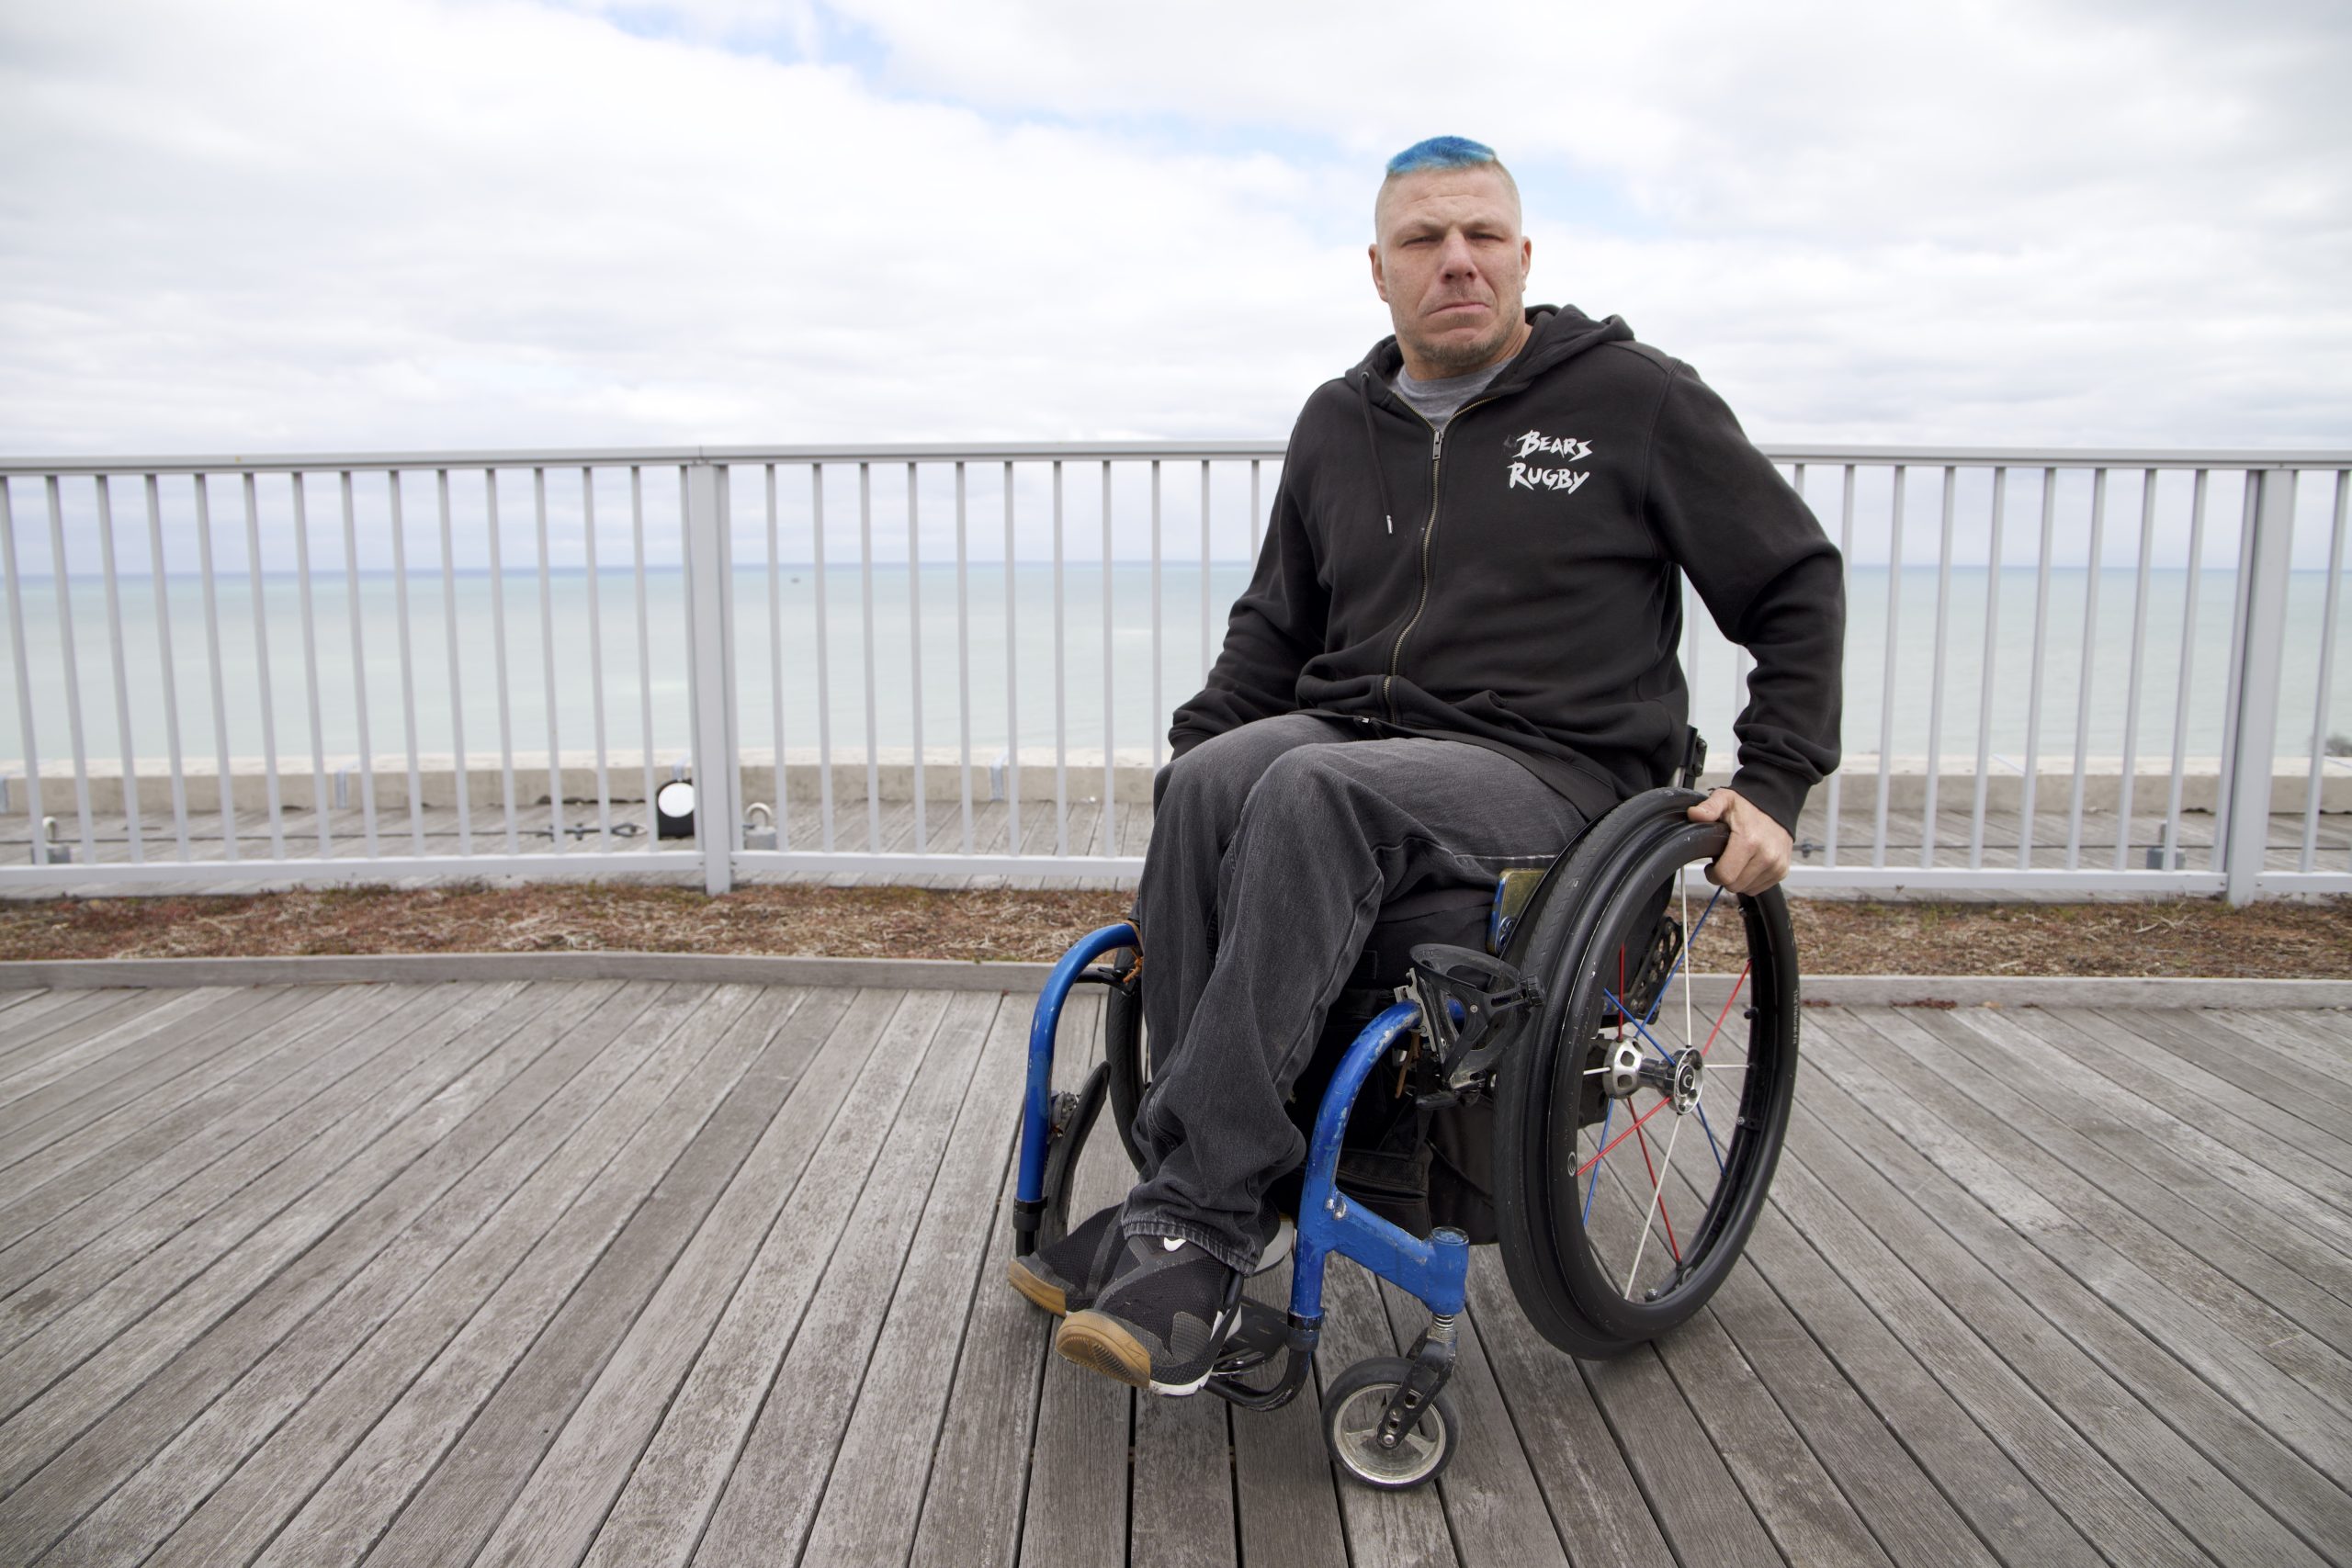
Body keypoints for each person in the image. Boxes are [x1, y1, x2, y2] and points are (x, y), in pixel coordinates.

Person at [1010, 135, 1844, 1395]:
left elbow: (1793, 582)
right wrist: (1200, 761)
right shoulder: (1337, 423)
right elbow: (1275, 633)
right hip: (1363, 738)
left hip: (1556, 773)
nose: (1457, 261)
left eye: (1481, 236)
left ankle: (1201, 1218)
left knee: (1308, 789)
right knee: (1218, 782)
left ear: (1522, 255)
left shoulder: (1633, 400)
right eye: (1423, 240)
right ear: (1379, 270)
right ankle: (1184, 1202)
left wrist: (1773, 780)